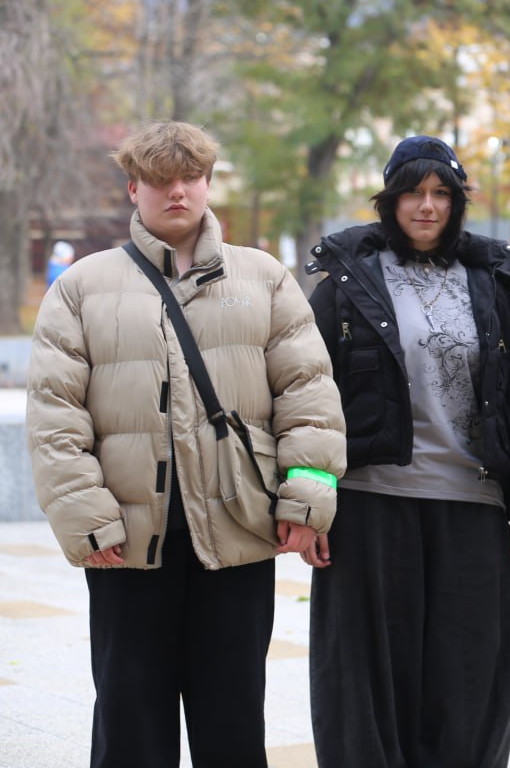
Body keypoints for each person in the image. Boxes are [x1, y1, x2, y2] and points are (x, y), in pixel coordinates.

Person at [25, 121, 347, 768]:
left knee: (232, 718)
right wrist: (87, 519)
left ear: (207, 184)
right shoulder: (82, 287)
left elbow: (308, 394)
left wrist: (307, 499)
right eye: (160, 179)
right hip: (127, 541)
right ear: (133, 188)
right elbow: (56, 417)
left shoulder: (264, 278)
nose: (177, 191)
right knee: (129, 718)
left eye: (190, 177)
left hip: (236, 529)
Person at [304, 135, 510, 768]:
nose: (427, 206)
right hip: (369, 503)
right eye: (413, 192)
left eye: (441, 194)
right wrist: (308, 502)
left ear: (457, 203)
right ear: (391, 200)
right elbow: (305, 397)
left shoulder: (488, 284)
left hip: (471, 504)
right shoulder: (346, 282)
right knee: (366, 680)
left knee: (468, 682)